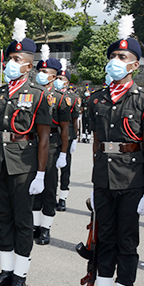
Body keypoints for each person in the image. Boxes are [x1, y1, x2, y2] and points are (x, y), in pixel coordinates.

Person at [76, 15, 144, 286]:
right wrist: (97, 182)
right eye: (113, 56)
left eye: (122, 57)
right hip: (104, 180)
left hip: (133, 180)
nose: (115, 61)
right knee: (104, 242)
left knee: (127, 246)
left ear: (135, 65)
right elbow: (97, 145)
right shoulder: (97, 99)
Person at [0, 18, 50, 286]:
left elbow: (44, 138)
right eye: (9, 58)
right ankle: (6, 271)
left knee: (22, 221)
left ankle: (20, 277)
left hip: (24, 162)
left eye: (17, 59)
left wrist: (42, 173)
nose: (11, 63)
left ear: (29, 65)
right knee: (3, 218)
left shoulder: (38, 95)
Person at [31, 46, 70, 246]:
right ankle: (35, 225)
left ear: (55, 77)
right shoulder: (30, 94)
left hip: (52, 145)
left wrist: (64, 152)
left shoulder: (61, 98)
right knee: (33, 187)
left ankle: (46, 227)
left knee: (48, 187)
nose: (42, 75)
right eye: (41, 71)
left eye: (47, 73)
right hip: (32, 143)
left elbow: (65, 129)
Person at [55, 60, 79, 212]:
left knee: (65, 168)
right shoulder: (51, 95)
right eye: (57, 78)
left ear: (68, 82)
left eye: (61, 79)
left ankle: (62, 197)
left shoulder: (73, 97)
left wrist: (75, 137)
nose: (58, 81)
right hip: (52, 135)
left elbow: (75, 119)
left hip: (67, 136)